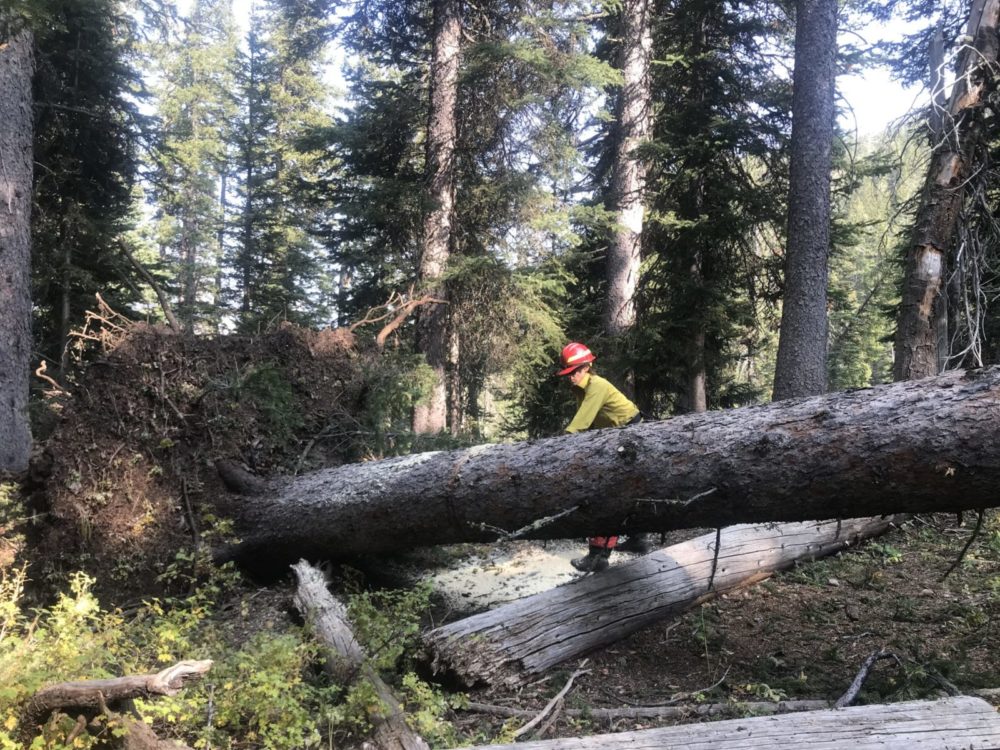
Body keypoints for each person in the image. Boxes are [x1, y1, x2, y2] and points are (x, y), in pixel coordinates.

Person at [557, 341, 645, 573]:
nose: (570, 377)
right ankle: (638, 538)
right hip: (618, 436)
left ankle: (598, 556)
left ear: (586, 367)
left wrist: (558, 447)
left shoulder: (597, 385)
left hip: (631, 434)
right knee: (626, 492)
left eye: (574, 372)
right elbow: (587, 422)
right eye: (568, 372)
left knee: (610, 492)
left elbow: (580, 423)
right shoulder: (581, 388)